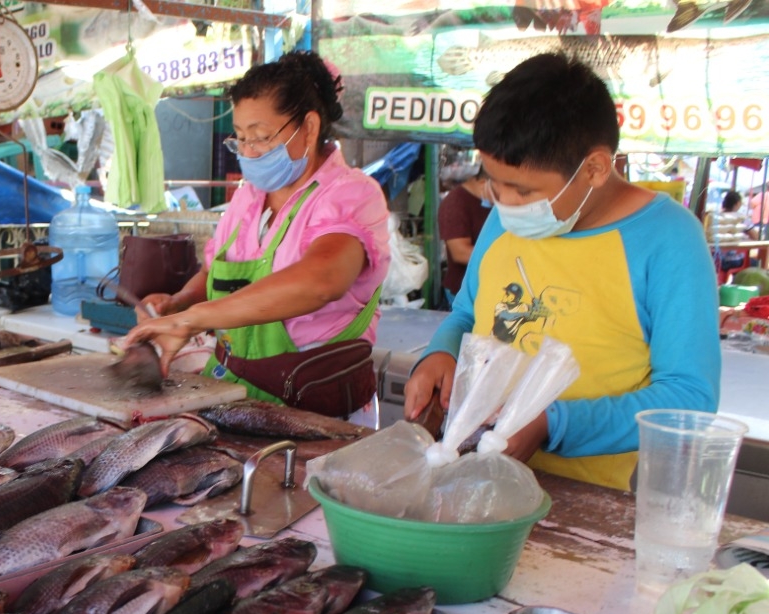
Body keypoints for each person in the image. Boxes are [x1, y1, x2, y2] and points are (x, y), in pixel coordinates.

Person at [403, 53, 720, 491]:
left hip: (587, 502)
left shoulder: (668, 239)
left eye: (523, 189)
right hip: (469, 481)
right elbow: (467, 314)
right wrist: (441, 353)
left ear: (593, 168)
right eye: (495, 182)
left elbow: (689, 398)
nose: (504, 202)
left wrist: (553, 424)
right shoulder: (505, 217)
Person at [123, 51, 390, 419]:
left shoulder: (352, 194)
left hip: (315, 406)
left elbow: (321, 281)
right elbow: (218, 272)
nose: (248, 152)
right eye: (241, 139)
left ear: (309, 128)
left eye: (261, 137)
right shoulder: (247, 198)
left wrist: (194, 319)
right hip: (234, 391)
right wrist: (179, 303)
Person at [439, 165, 492, 304]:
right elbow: (460, 253)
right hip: (465, 293)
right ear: (484, 183)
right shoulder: (455, 203)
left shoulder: (493, 205)